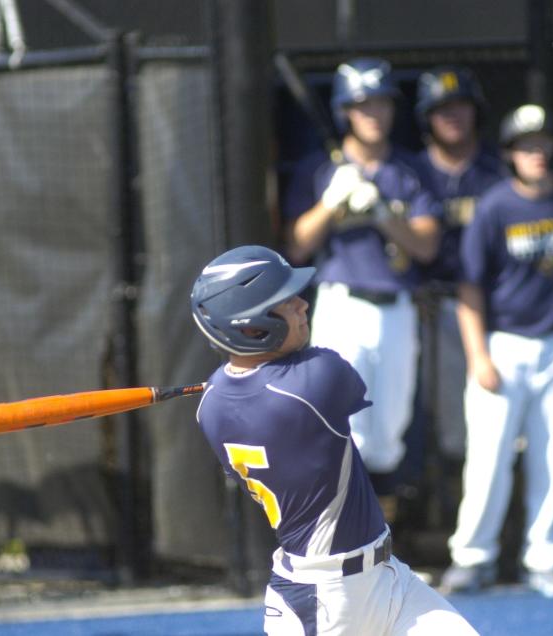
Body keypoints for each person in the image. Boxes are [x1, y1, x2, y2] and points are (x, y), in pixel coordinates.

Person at [190, 245, 479, 635]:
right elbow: (337, 383)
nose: (302, 306)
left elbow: (245, 383)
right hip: (322, 603)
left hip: (388, 580)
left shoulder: (210, 406)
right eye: (285, 302)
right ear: (252, 326)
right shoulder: (317, 380)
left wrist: (235, 376)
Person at [438, 104, 553, 597]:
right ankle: (473, 556)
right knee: (488, 458)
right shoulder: (494, 207)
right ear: (510, 153)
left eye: (544, 145)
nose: (537, 155)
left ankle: (547, 558)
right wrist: (478, 354)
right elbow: (470, 288)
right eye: (527, 146)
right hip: (503, 345)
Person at [283, 57, 441, 523]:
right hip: (341, 303)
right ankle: (342, 537)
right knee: (342, 426)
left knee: (390, 433)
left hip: (397, 307)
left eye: (380, 103)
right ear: (345, 111)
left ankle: (381, 542)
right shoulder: (318, 169)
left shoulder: (410, 170)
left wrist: (383, 214)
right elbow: (295, 244)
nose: (373, 113)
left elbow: (427, 245)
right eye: (361, 104)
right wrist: (331, 203)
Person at [414, 66, 505, 474]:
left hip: (496, 309)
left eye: (461, 106)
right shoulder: (411, 173)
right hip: (432, 305)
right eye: (441, 108)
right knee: (439, 419)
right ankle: (435, 509)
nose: (452, 116)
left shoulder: (499, 171)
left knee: (497, 415)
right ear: (427, 116)